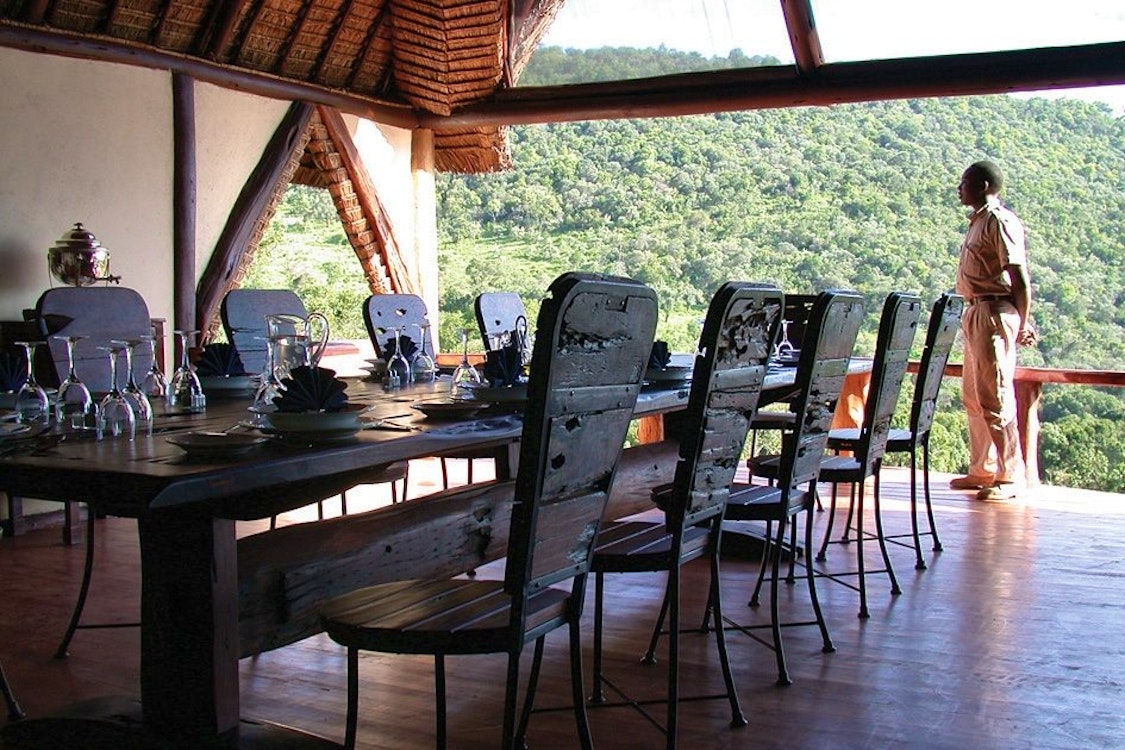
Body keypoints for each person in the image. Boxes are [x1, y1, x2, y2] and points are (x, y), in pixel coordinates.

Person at [949, 160, 1037, 502]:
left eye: (965, 182)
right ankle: (983, 468)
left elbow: (1019, 278)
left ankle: (1010, 475)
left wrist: (1022, 322)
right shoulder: (978, 222)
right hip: (975, 311)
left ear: (984, 186)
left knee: (996, 394)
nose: (960, 188)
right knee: (974, 394)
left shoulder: (998, 222)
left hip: (993, 312)